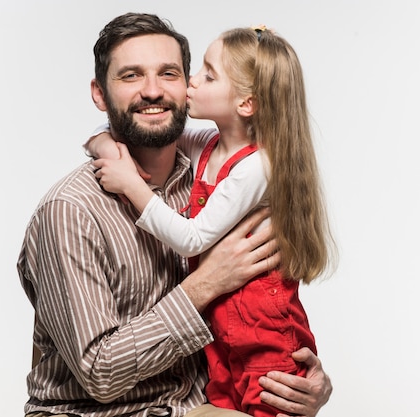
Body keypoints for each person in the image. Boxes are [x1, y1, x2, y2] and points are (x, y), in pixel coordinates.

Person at [18, 12, 332, 417]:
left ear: (186, 87)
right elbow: (99, 375)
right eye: (130, 76)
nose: (152, 91)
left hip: (198, 400)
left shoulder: (210, 169)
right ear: (100, 94)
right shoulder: (70, 212)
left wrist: (305, 380)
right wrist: (206, 283)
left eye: (168, 73)